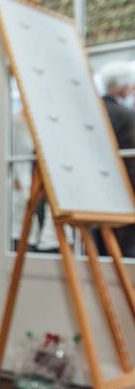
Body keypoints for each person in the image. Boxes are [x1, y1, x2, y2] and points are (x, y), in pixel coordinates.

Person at [100, 60, 135, 257]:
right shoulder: (126, 115)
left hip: (95, 194)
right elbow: (132, 162)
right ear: (123, 86)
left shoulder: (92, 111)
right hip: (122, 192)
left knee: (100, 246)